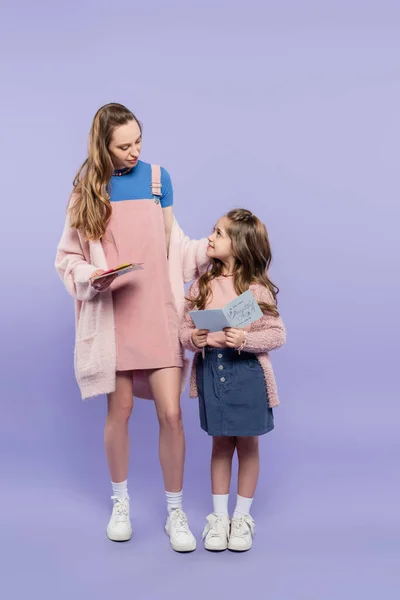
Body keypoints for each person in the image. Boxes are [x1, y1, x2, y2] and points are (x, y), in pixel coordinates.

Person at [55, 103, 208, 552]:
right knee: (117, 413)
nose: (134, 152)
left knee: (173, 415)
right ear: (103, 145)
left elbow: (173, 247)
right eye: (124, 145)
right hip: (115, 316)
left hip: (159, 314)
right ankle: (119, 502)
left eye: (139, 140)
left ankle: (175, 511)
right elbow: (68, 258)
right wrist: (91, 277)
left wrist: (220, 250)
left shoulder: (159, 180)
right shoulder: (87, 188)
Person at [179, 208, 286, 552]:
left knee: (248, 445)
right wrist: (191, 339)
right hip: (213, 372)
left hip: (248, 375)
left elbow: (276, 334)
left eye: (219, 233)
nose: (210, 237)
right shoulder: (201, 284)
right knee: (221, 444)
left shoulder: (256, 291)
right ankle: (219, 519)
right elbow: (184, 327)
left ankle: (242, 519)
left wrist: (244, 339)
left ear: (239, 245)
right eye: (213, 230)